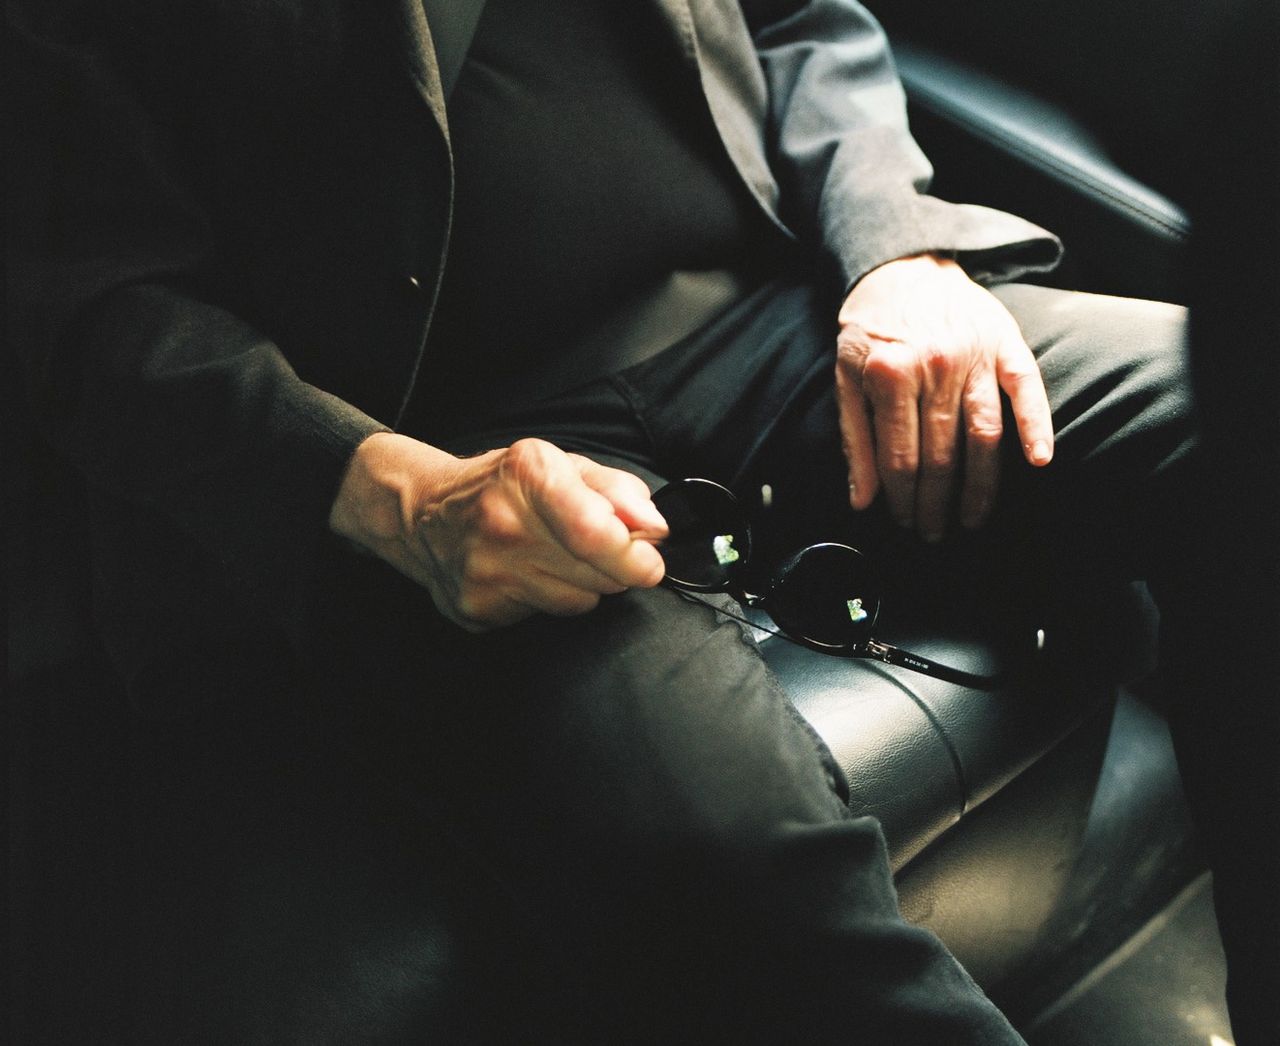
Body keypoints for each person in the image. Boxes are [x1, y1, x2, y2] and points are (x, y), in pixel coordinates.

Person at [6, 0, 1273, 1041]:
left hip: (771, 313)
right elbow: (83, 298)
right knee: (725, 845)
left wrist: (895, 250)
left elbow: (803, 18)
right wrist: (390, 491)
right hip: (447, 444)